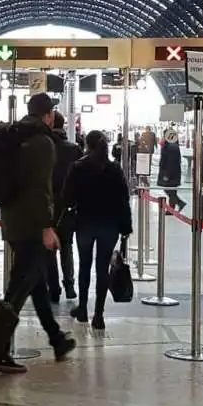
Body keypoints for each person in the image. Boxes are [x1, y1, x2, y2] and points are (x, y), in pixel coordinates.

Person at [0, 93, 76, 374]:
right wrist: (46, 226)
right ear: (49, 114)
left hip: (13, 220)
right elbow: (39, 189)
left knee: (36, 283)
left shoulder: (17, 136)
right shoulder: (42, 142)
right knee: (16, 292)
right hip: (31, 225)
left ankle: (56, 338)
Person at [63, 131, 133, 330]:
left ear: (86, 145)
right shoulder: (114, 169)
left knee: (84, 266)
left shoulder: (77, 168)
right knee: (102, 269)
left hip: (85, 223)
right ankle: (99, 316)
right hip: (109, 226)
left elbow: (67, 198)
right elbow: (123, 201)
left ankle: (83, 310)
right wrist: (126, 227)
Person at [47, 111, 83, 303]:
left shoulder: (44, 148)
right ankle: (69, 286)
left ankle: (54, 289)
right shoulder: (74, 149)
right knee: (66, 246)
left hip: (47, 204)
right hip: (68, 206)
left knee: (49, 248)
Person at [157, 139, 186, 212]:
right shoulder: (171, 146)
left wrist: (167, 175)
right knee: (172, 191)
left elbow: (171, 163)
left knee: (169, 190)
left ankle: (178, 204)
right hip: (173, 173)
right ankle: (172, 209)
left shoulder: (171, 147)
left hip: (171, 174)